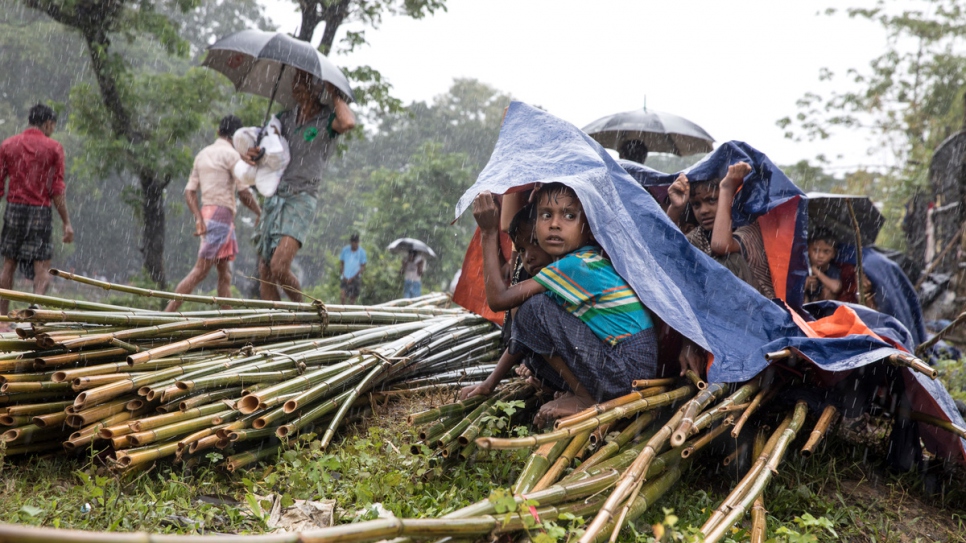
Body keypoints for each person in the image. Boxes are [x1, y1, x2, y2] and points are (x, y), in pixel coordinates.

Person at [463, 183, 659, 426]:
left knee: (533, 309)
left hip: (628, 367)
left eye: (569, 216)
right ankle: (584, 392)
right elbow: (521, 339)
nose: (555, 224)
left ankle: (585, 397)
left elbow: (498, 300)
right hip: (625, 367)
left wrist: (489, 232)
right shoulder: (574, 263)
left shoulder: (577, 264)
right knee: (531, 343)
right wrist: (488, 383)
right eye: (546, 215)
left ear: (588, 228)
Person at [245, 69, 356, 301]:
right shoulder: (284, 118)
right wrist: (256, 153)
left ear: (317, 88)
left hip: (301, 198)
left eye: (304, 81)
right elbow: (269, 151)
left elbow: (348, 122)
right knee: (265, 270)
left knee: (279, 267)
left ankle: (303, 315)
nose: (298, 86)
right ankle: (275, 326)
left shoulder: (327, 120)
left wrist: (335, 93)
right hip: (276, 196)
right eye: (295, 81)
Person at [165, 115, 261, 312]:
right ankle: (167, 312)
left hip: (210, 214)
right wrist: (260, 212)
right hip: (221, 216)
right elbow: (244, 192)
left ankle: (227, 318)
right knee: (200, 271)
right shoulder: (232, 156)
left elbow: (190, 191)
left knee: (224, 273)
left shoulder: (202, 154)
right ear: (236, 138)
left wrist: (199, 218)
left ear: (218, 132)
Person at [0, 104, 74, 316]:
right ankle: (35, 312)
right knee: (41, 267)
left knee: (8, 264)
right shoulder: (54, 148)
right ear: (48, 123)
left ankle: (2, 318)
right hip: (40, 211)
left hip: (14, 209)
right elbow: (56, 189)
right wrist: (66, 222)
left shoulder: (8, 145)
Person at [666, 162, 776, 299]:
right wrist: (675, 208)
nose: (704, 211)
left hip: (760, 311)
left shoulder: (749, 228)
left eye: (712, 200)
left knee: (729, 260)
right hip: (714, 313)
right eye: (696, 204)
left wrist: (727, 188)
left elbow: (720, 246)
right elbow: (665, 253)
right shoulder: (699, 236)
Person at [804, 229, 842, 304]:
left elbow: (836, 288)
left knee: (828, 292)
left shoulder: (831, 269)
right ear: (808, 250)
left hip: (820, 305)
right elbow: (793, 289)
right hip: (804, 303)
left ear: (833, 254)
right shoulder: (802, 265)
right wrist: (806, 283)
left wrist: (816, 271)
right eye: (816, 250)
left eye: (826, 251)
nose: (820, 256)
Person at [340, 233, 366, 304]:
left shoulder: (361, 252)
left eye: (355, 242)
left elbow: (363, 266)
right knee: (343, 296)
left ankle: (350, 313)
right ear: (351, 242)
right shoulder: (345, 250)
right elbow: (342, 263)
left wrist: (353, 277)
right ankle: (342, 311)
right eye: (352, 242)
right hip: (345, 276)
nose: (354, 244)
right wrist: (343, 274)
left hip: (355, 278)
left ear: (358, 242)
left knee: (352, 298)